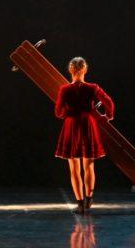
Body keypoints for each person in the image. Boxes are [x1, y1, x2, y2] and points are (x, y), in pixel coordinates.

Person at [55, 57, 114, 214]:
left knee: (74, 168)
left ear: (70, 70)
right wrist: (109, 115)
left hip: (71, 125)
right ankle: (89, 198)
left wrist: (66, 114)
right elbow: (108, 101)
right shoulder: (92, 88)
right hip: (88, 125)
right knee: (89, 165)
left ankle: (80, 204)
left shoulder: (65, 89)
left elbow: (58, 112)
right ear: (85, 70)